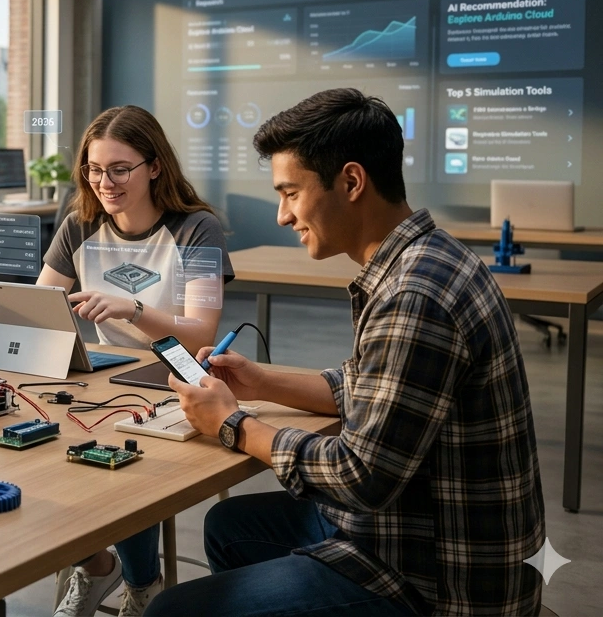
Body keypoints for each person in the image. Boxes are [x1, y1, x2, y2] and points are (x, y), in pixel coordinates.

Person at [146, 89, 545, 616]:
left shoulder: (414, 295)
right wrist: (260, 382)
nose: (283, 215)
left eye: (290, 192)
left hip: (436, 579)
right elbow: (364, 386)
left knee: (170, 612)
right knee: (230, 526)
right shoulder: (426, 257)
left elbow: (361, 476)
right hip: (408, 528)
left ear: (352, 182)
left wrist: (233, 424)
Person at [42, 106, 234, 617]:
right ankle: (97, 565)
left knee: (123, 450)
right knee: (33, 442)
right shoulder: (78, 226)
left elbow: (202, 331)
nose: (105, 182)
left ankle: (142, 584)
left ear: (154, 166)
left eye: (120, 169)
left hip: (179, 377)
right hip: (109, 377)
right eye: (94, 169)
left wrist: (135, 308)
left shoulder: (198, 228)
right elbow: (40, 311)